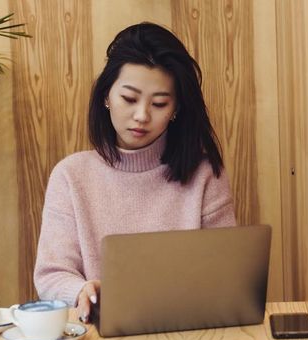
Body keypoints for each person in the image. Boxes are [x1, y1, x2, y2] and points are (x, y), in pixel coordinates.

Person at [33, 22, 236, 324]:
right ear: (106, 97)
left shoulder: (204, 175)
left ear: (176, 109)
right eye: (129, 99)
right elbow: (52, 275)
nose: (142, 116)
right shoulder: (71, 176)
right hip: (99, 336)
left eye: (159, 103)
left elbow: (227, 274)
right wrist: (81, 290)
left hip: (187, 334)